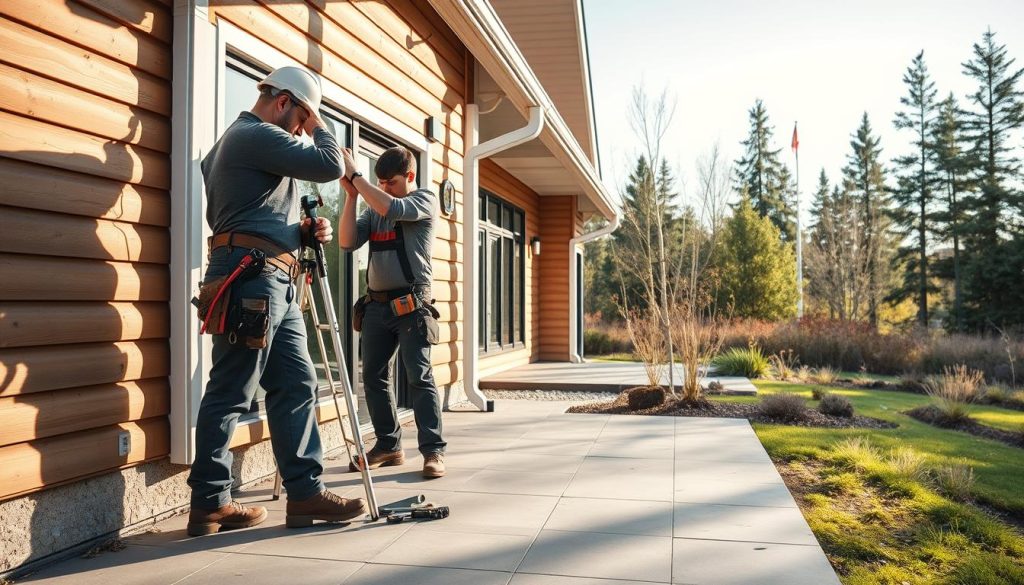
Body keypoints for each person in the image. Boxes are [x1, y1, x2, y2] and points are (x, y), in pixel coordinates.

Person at [186, 66, 366, 536]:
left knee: (297, 384)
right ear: (284, 102)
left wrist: (301, 231)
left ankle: (304, 494)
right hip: (252, 279)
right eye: (301, 118)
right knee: (233, 388)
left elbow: (251, 211)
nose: (302, 129)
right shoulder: (252, 134)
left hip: (270, 276)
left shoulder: (244, 143)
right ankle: (209, 502)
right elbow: (331, 165)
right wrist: (321, 124)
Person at [338, 146, 447, 479]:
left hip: (412, 306)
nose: (384, 187)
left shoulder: (423, 200)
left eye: (391, 182)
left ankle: (433, 452)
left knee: (419, 376)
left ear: (409, 177)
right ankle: (389, 446)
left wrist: (357, 177)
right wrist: (351, 196)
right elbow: (345, 242)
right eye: (380, 182)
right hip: (376, 306)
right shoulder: (374, 210)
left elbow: (392, 206)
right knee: (372, 376)